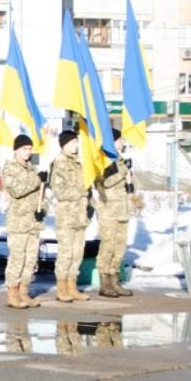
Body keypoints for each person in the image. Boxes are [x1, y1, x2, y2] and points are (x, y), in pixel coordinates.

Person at [1, 135, 45, 309]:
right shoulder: (10, 168)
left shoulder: (32, 168)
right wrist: (37, 180)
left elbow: (39, 194)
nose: (28, 152)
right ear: (16, 150)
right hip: (18, 221)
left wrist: (42, 209)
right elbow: (17, 190)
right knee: (17, 258)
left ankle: (24, 291)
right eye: (24, 148)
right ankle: (13, 293)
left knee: (30, 259)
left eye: (29, 148)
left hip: (32, 221)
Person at [50, 130, 91, 303]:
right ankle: (61, 288)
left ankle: (72, 286)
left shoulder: (80, 163)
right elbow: (60, 191)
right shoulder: (58, 164)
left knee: (77, 253)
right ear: (64, 144)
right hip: (66, 216)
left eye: (76, 142)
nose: (76, 146)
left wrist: (89, 204)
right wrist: (82, 192)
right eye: (72, 142)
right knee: (66, 254)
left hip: (80, 216)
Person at [95, 129, 134, 298]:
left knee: (119, 246)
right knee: (108, 246)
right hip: (108, 210)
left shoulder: (120, 160)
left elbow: (126, 183)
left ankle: (115, 280)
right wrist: (123, 172)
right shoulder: (104, 159)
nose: (123, 143)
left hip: (122, 210)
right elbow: (105, 182)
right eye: (120, 139)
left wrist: (130, 182)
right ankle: (105, 283)